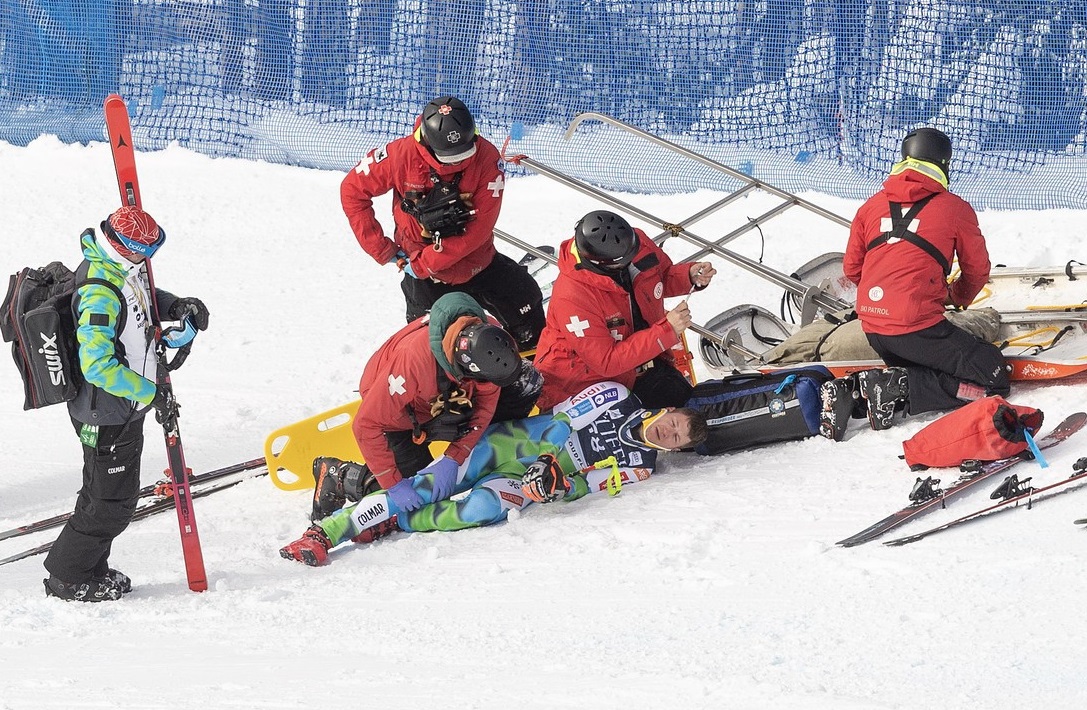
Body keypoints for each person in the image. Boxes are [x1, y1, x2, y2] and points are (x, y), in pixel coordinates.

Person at [280, 381, 709, 565]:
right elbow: (563, 421)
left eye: (675, 440)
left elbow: (588, 486)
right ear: (667, 411)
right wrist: (546, 460)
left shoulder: (642, 468)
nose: (666, 434)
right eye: (672, 424)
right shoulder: (620, 397)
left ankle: (394, 520)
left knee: (483, 508)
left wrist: (556, 488)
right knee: (430, 485)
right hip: (511, 444)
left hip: (530, 479)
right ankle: (327, 532)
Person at [43, 206, 210, 602]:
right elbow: (98, 366)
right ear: (122, 245)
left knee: (106, 496)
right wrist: (153, 394)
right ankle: (67, 577)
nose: (148, 258)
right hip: (107, 413)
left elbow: (140, 302)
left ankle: (91, 568)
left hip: (124, 408)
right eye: (143, 250)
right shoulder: (99, 292)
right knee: (110, 504)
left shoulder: (120, 267)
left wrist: (175, 307)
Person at [819, 127, 1010, 441]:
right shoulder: (955, 208)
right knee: (994, 377)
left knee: (929, 363)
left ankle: (855, 389)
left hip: (874, 329)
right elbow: (977, 270)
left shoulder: (870, 206)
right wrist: (956, 297)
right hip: (916, 327)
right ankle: (901, 387)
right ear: (943, 164)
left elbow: (853, 268)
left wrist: (884, 295)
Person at [340, 95, 545, 351]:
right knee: (433, 345)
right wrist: (382, 249)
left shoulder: (486, 159)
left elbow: (478, 230)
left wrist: (426, 263)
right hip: (423, 270)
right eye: (450, 159)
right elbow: (352, 190)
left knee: (526, 300)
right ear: (427, 145)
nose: (459, 163)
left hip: (475, 260)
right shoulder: (398, 156)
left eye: (464, 154)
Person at [326, 291, 537, 523]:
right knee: (420, 497)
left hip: (445, 396)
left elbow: (486, 405)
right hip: (400, 415)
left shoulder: (492, 341)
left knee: (526, 381)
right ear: (467, 370)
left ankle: (489, 454)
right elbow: (366, 425)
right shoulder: (412, 362)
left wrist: (455, 457)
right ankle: (344, 477)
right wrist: (394, 484)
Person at [532, 210, 716, 411]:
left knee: (691, 417)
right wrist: (667, 330)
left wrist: (688, 277)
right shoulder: (572, 297)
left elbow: (661, 277)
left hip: (647, 364)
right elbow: (606, 361)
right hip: (588, 390)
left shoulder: (635, 242)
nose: (632, 259)